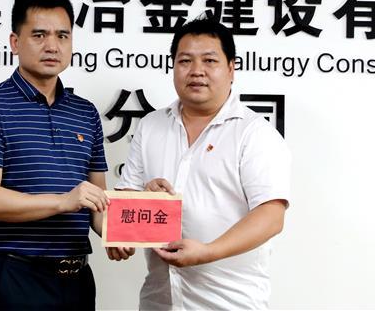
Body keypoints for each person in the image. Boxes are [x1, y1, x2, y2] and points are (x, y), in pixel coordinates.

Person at [114, 15, 291, 310]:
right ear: (173, 66)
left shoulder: (254, 133)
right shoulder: (151, 125)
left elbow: (271, 215)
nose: (196, 71)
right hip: (159, 301)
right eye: (185, 61)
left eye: (209, 61)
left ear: (231, 68)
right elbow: (126, 201)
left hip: (229, 303)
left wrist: (208, 252)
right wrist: (142, 203)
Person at [0, 0, 111, 310]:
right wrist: (63, 201)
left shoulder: (85, 113)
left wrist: (123, 232)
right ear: (15, 42)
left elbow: (98, 203)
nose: (52, 46)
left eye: (62, 36)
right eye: (39, 35)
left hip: (78, 279)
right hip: (16, 276)